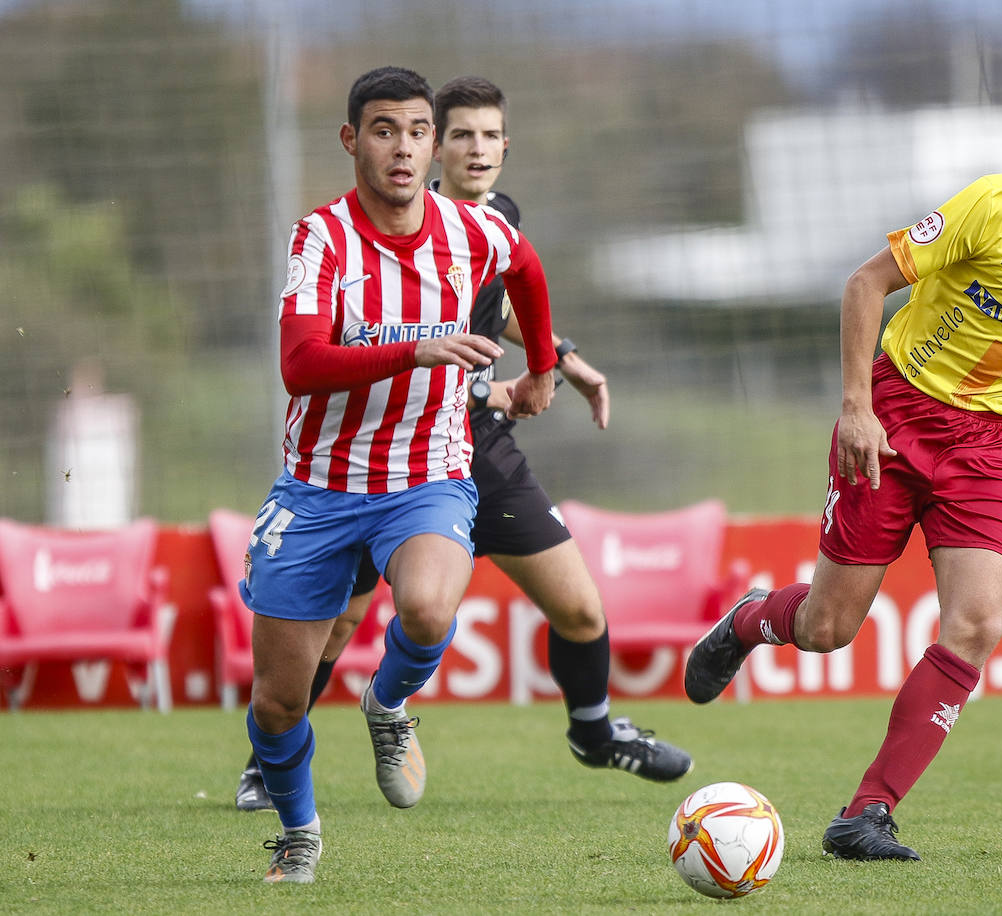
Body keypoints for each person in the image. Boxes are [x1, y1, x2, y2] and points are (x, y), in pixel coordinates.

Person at [684, 100, 1002, 861]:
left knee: (977, 625)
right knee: (826, 629)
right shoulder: (991, 207)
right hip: (896, 416)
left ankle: (866, 814)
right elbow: (864, 285)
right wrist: (855, 409)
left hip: (987, 448)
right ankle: (751, 620)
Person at [235, 76, 691, 820]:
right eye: (459, 135)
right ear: (432, 147)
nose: (475, 149)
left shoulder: (489, 224)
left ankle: (591, 729)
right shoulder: (347, 232)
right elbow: (329, 355)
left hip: (464, 451)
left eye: (490, 136)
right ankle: (271, 760)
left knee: (572, 607)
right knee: (338, 627)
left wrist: (555, 363)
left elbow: (511, 294)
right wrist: (485, 378)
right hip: (360, 461)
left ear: (506, 147)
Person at [241, 66, 559, 884]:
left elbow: (526, 270)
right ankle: (300, 833)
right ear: (353, 141)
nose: (405, 147)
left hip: (428, 475)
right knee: (277, 705)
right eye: (385, 130)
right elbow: (300, 365)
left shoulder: (472, 230)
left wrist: (545, 368)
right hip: (319, 487)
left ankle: (386, 704)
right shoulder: (322, 238)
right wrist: (416, 348)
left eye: (419, 131)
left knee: (425, 607)